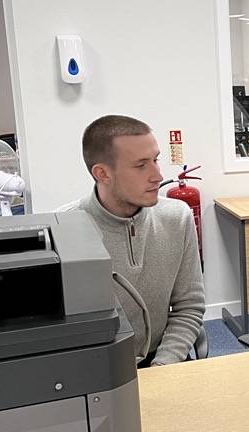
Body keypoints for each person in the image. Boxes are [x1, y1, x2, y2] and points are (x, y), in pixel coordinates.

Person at [59, 114, 205, 366]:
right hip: (97, 371)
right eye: (141, 165)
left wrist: (163, 366)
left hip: (162, 362)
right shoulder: (64, 231)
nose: (158, 175)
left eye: (156, 160)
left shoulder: (176, 217)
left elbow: (189, 307)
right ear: (103, 173)